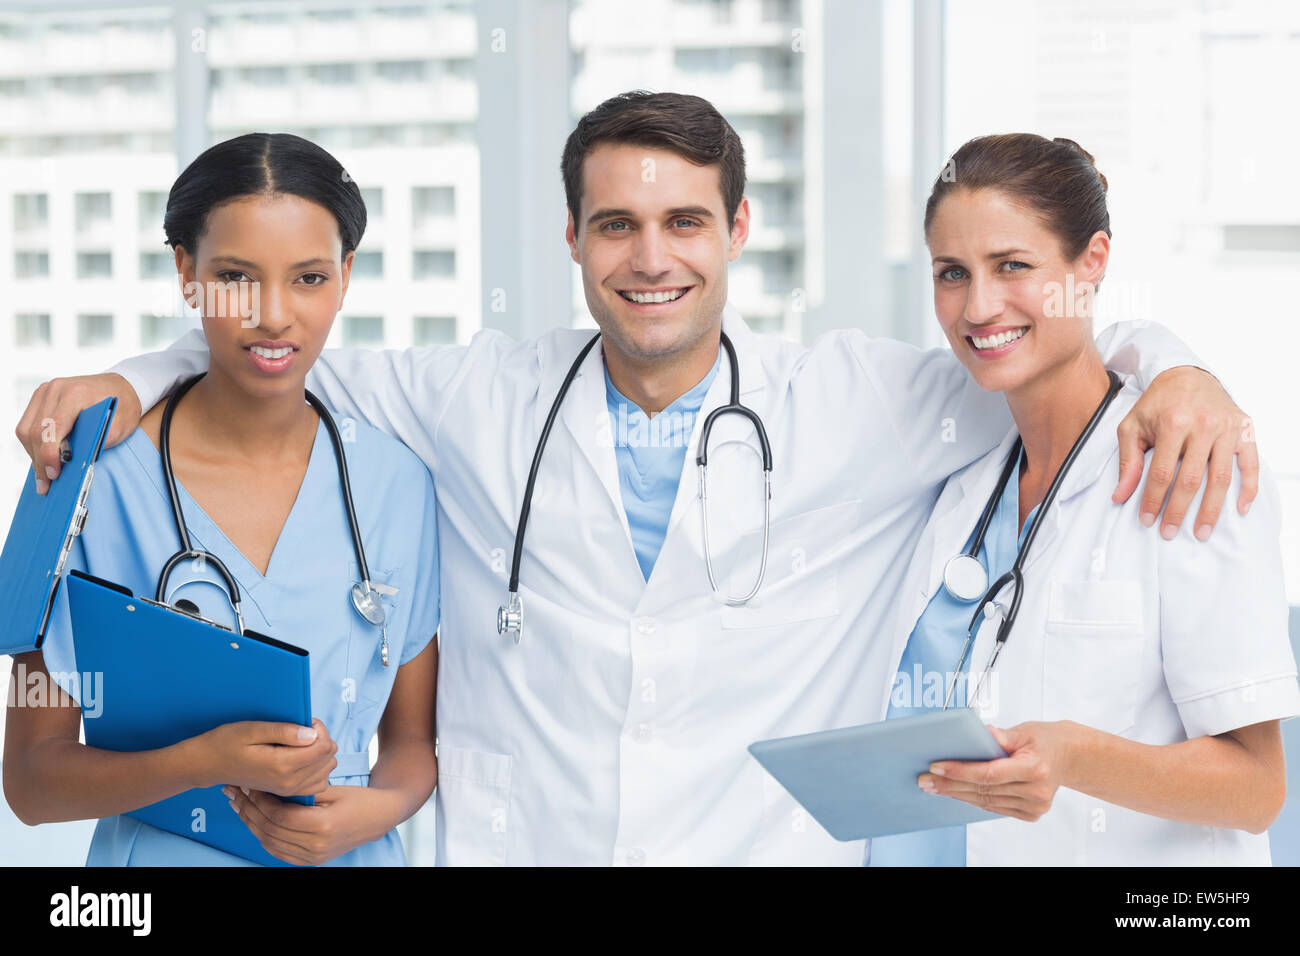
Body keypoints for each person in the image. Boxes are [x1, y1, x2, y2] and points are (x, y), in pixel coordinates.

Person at [13, 93, 1256, 866]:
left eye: (684, 223)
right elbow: (277, 342)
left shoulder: (866, 399)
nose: (649, 256)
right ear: (571, 240)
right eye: (614, 224)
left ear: (737, 231)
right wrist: (127, 375)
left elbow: (1033, 351)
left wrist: (1175, 365)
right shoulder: (473, 395)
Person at [2, 133, 440, 866]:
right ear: (187, 271)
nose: (274, 316)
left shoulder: (397, 485)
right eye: (236, 276)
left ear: (346, 276)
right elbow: (30, 782)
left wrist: (376, 811)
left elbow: (411, 742)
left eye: (308, 278)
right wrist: (203, 760)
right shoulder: (86, 481)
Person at [867, 133, 1299, 866]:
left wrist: (1075, 758)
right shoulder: (961, 480)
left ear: (1091, 261)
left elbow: (1258, 788)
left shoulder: (1193, 466)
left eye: (1013, 266)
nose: (978, 306)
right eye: (951, 273)